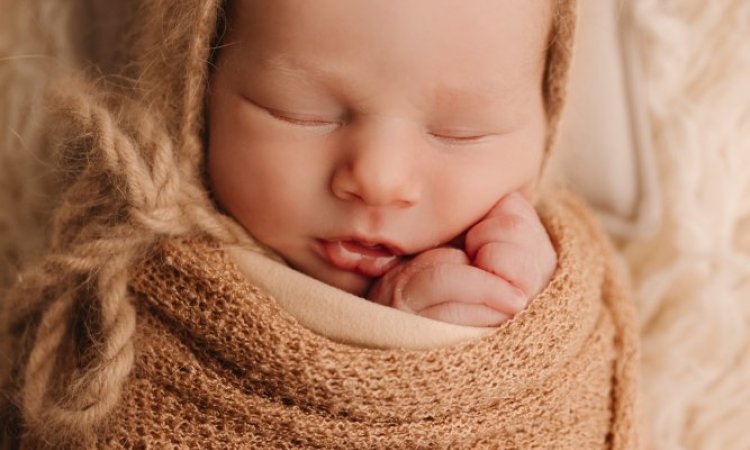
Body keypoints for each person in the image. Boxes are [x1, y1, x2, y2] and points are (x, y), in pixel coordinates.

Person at [0, 0, 644, 448]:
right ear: (197, 93)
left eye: (460, 133)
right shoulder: (130, 295)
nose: (380, 178)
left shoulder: (549, 285)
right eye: (300, 113)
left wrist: (500, 328)